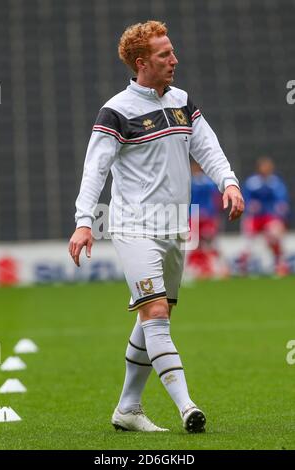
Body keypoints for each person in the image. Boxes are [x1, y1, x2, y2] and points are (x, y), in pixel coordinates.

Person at [69, 21, 244, 433]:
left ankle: (127, 409)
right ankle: (187, 407)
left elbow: (208, 146)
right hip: (133, 226)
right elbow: (95, 170)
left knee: (152, 319)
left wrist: (230, 182)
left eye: (172, 51)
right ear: (142, 62)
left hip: (175, 228)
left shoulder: (182, 101)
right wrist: (83, 222)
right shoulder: (116, 110)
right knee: (157, 312)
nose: (174, 60)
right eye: (165, 54)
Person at [241, 156, 289, 276]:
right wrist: (250, 205)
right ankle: (245, 267)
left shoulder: (275, 182)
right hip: (255, 217)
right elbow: (245, 198)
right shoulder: (252, 182)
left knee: (274, 236)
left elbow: (282, 199)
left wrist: (281, 208)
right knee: (248, 242)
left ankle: (279, 264)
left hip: (270, 217)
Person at [186, 161, 227, 279]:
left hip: (205, 215)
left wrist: (214, 214)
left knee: (208, 242)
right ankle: (196, 269)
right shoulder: (191, 182)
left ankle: (217, 268)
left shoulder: (206, 183)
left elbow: (215, 200)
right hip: (194, 215)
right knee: (194, 244)